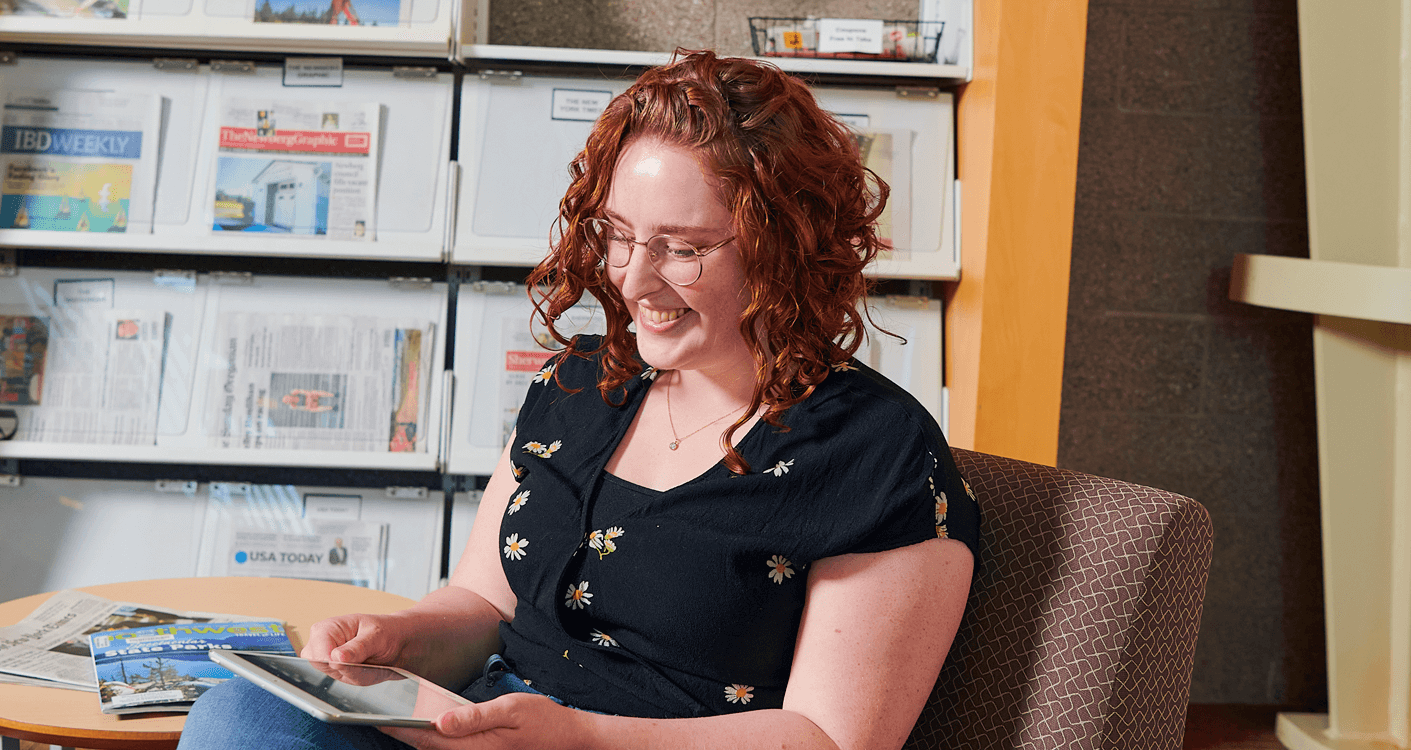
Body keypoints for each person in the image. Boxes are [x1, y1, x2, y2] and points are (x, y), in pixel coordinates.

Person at [180, 49, 980, 750]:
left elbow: (829, 738)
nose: (631, 279)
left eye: (684, 248)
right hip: (486, 725)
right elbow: (483, 603)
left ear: (787, 243)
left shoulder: (877, 453)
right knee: (243, 714)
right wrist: (402, 637)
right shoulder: (578, 383)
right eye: (620, 234)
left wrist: (578, 739)